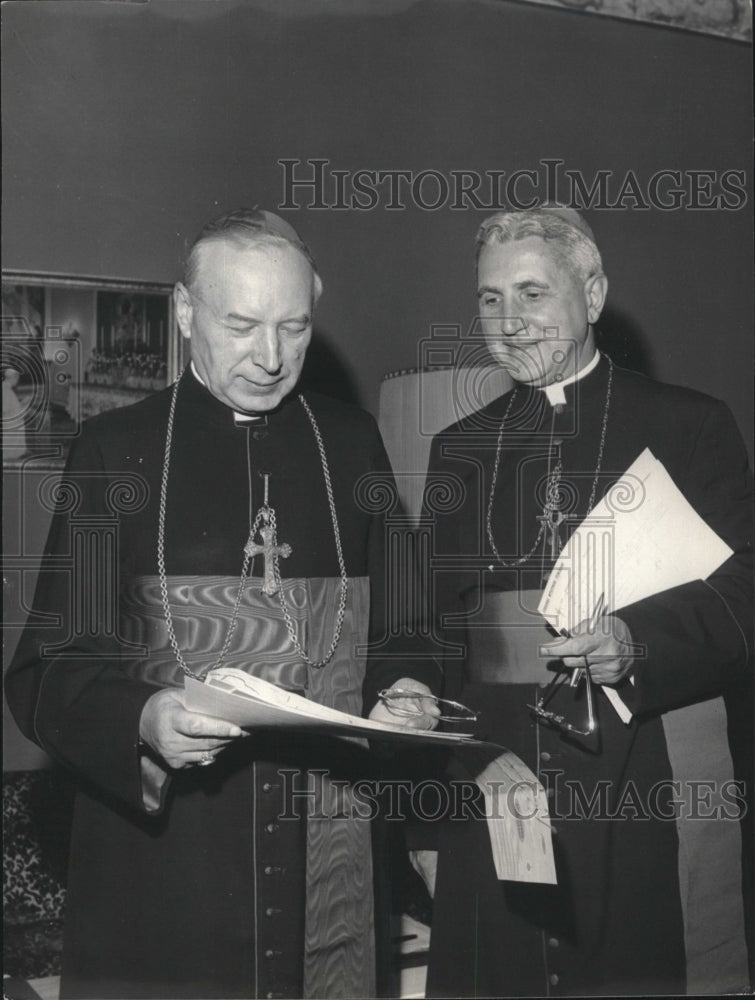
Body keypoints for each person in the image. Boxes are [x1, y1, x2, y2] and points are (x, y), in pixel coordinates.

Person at [5, 208, 439, 1000]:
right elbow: (47, 670)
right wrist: (141, 718)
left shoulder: (352, 443)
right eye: (240, 326)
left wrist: (406, 686)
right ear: (183, 314)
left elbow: (410, 623)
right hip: (167, 862)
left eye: (294, 327)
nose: (271, 359)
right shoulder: (113, 450)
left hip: (329, 842)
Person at [420, 207, 752, 997]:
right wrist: (426, 805)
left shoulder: (690, 424)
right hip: (498, 769)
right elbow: (432, 633)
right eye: (490, 299)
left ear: (593, 293)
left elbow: (746, 589)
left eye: (531, 293)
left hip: (645, 771)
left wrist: (636, 641)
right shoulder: (457, 449)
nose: (508, 321)